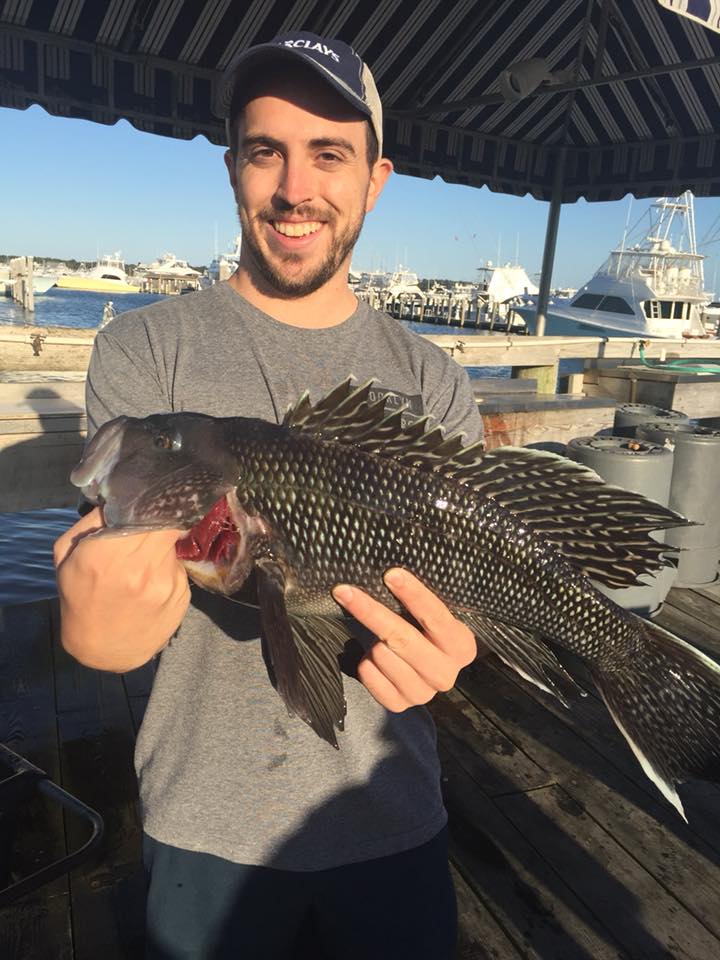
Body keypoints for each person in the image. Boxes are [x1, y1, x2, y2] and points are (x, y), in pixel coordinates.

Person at [54, 32, 484, 960]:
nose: (295, 188)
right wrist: (94, 621)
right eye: (265, 152)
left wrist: (457, 652)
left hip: (392, 810)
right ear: (232, 170)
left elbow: (459, 601)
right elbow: (121, 629)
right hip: (204, 825)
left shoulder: (433, 378)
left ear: (375, 180)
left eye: (330, 154)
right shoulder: (143, 350)